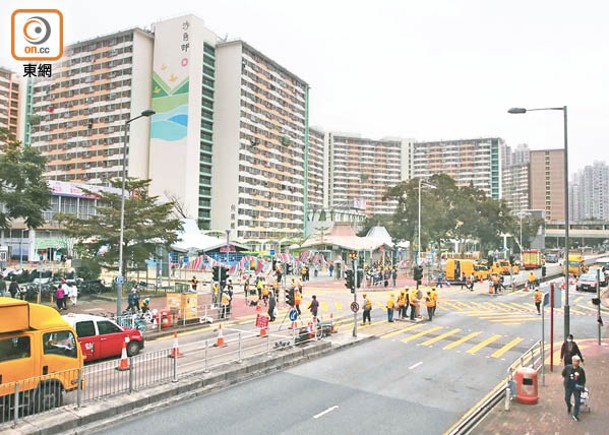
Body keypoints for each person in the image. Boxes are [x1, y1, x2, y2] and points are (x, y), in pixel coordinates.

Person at [562, 355, 586, 421]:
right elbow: (563, 374)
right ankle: (569, 406)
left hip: (576, 387)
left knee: (577, 401)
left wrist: (581, 386)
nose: (576, 363)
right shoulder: (567, 367)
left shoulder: (581, 370)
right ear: (572, 361)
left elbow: (583, 380)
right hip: (568, 386)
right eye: (575, 361)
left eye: (578, 361)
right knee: (567, 398)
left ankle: (575, 415)